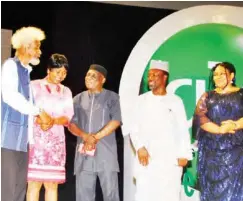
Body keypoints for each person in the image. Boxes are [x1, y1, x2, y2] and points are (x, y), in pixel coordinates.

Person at [1, 26, 53, 201]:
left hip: (22, 144)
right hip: (6, 142)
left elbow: (27, 110)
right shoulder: (10, 66)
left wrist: (39, 120)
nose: (39, 52)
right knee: (7, 192)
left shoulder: (26, 73)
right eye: (36, 47)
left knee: (19, 193)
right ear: (25, 46)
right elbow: (10, 97)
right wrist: (39, 112)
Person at [130, 60, 192, 201]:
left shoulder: (175, 101)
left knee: (169, 196)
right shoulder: (141, 100)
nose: (150, 78)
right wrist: (139, 147)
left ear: (165, 77)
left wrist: (185, 154)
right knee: (144, 195)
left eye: (155, 75)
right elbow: (134, 127)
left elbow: (182, 129)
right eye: (149, 75)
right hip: (147, 159)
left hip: (169, 161)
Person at [68, 64, 122, 201]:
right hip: (84, 155)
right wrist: (85, 136)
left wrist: (95, 137)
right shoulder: (77, 99)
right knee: (83, 196)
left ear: (102, 80)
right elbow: (71, 124)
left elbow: (116, 121)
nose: (88, 78)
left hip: (106, 154)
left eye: (93, 75)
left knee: (111, 195)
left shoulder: (113, 97)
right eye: (87, 75)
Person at [26, 53, 74, 201]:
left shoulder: (66, 91)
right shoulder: (34, 86)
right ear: (49, 70)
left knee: (51, 185)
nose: (61, 75)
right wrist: (38, 119)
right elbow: (26, 108)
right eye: (58, 71)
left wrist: (52, 121)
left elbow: (68, 117)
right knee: (34, 184)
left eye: (64, 73)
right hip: (36, 143)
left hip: (56, 145)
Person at [192, 62, 243, 201]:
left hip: (237, 152)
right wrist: (220, 129)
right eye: (215, 74)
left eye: (222, 74)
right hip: (211, 152)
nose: (218, 77)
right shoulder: (207, 96)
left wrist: (235, 124)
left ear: (232, 75)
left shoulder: (241, 94)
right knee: (211, 189)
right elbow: (200, 117)